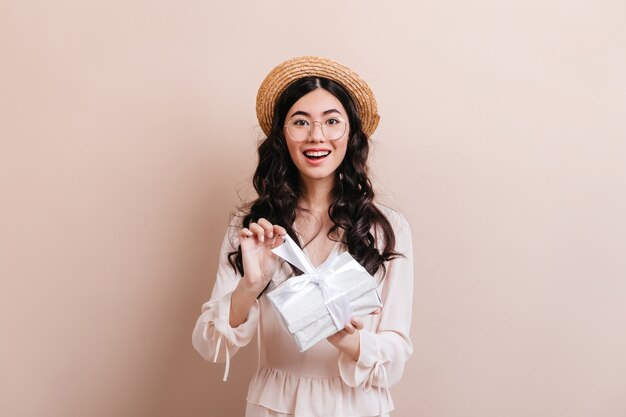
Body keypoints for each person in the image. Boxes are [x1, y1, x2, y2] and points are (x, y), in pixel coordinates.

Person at [192, 56, 414, 417]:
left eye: (331, 122)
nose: (317, 136)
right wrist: (250, 286)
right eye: (301, 122)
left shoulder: (385, 228)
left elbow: (395, 354)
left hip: (356, 407)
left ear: (351, 134)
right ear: (282, 134)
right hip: (276, 406)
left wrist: (351, 341)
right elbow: (210, 345)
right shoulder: (252, 228)